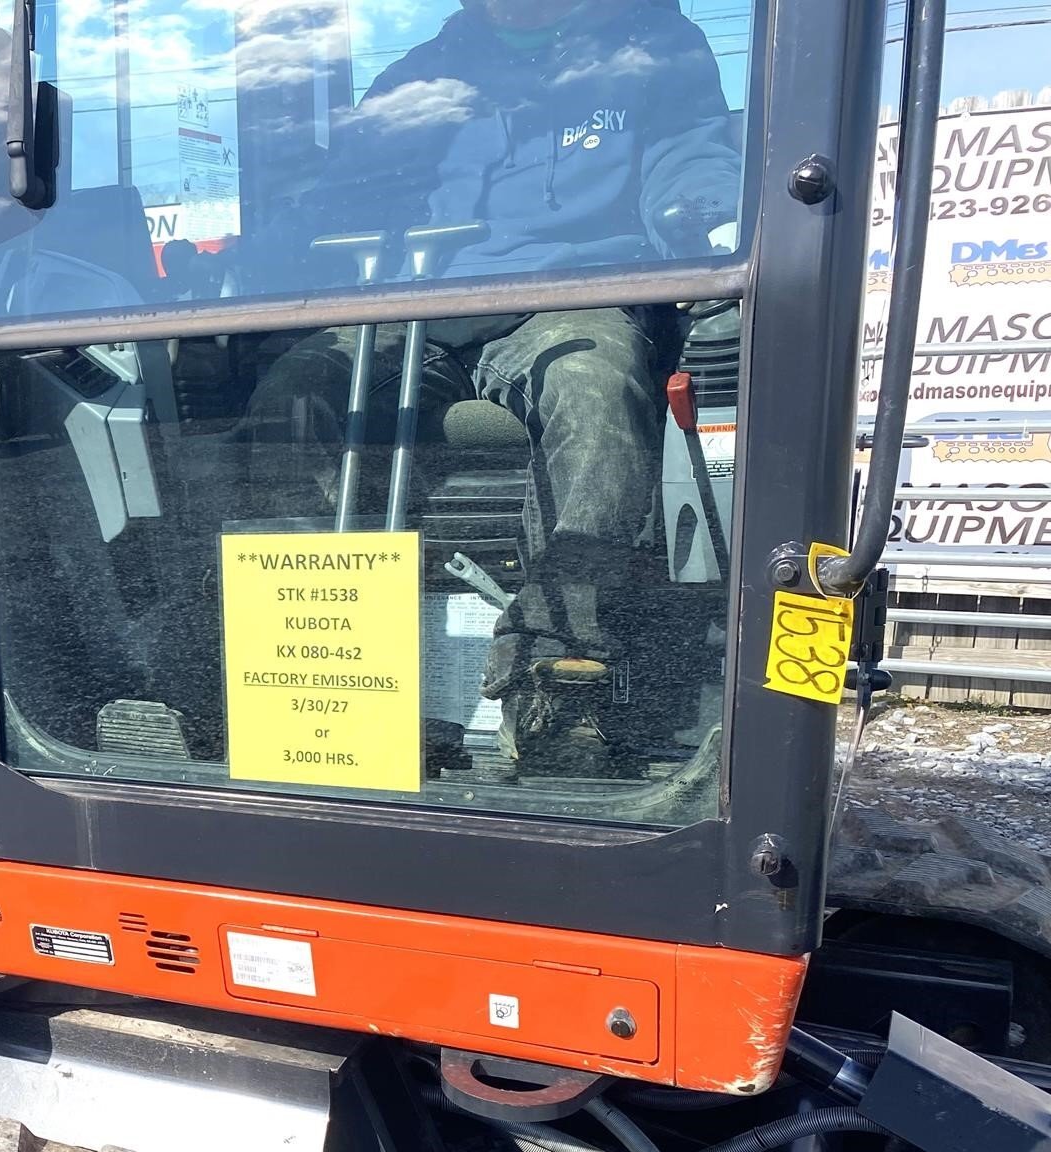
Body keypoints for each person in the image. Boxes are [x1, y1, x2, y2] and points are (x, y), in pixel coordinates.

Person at [252, 0, 741, 776]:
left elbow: (689, 152)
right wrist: (272, 246)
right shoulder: (421, 75)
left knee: (594, 384)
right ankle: (312, 664)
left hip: (570, 299)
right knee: (297, 389)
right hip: (422, 303)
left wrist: (705, 213)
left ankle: (555, 678)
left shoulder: (646, 47)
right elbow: (348, 188)